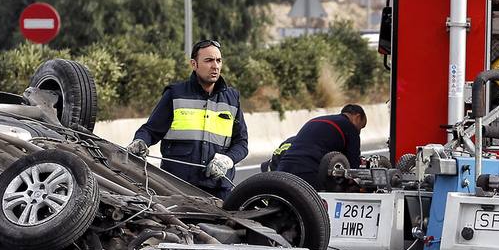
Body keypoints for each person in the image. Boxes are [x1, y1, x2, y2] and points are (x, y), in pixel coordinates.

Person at [127, 39, 248, 201]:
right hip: (176, 188)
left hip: (218, 191)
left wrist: (228, 160)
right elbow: (150, 130)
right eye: (209, 60)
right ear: (194, 64)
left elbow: (241, 144)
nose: (215, 66)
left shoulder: (232, 99)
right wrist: (140, 141)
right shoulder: (175, 94)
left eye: (218, 60)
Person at [270, 104, 368, 187]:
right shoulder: (350, 127)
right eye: (361, 127)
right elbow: (354, 167)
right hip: (308, 174)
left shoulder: (316, 120)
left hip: (282, 170)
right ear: (357, 117)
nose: (359, 132)